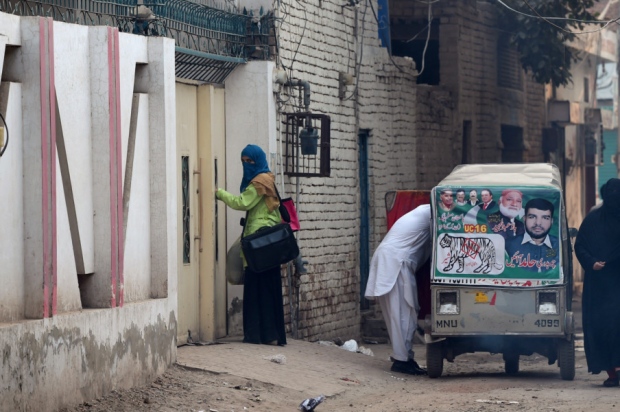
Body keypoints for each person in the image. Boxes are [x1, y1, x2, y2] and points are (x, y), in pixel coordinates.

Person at [215, 144, 287, 346]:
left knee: (256, 289)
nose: (246, 165)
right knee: (267, 289)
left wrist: (219, 193)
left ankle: (256, 334)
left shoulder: (259, 183)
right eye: (243, 161)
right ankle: (269, 334)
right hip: (268, 245)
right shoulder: (268, 179)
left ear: (258, 161)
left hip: (259, 245)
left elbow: (242, 203)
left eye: (250, 161)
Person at [364, 205, 431, 375]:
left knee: (402, 313)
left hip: (396, 262)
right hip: (396, 263)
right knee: (403, 313)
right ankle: (402, 360)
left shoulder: (424, 211)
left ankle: (405, 357)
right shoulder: (431, 212)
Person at [574, 178, 620, 387]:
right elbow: (580, 245)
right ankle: (613, 372)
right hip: (600, 287)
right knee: (603, 327)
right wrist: (592, 263)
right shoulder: (593, 220)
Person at [505, 198, 559, 272]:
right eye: (532, 217)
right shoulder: (507, 245)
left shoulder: (560, 246)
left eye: (545, 218)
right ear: (525, 219)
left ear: (551, 221)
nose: (538, 223)